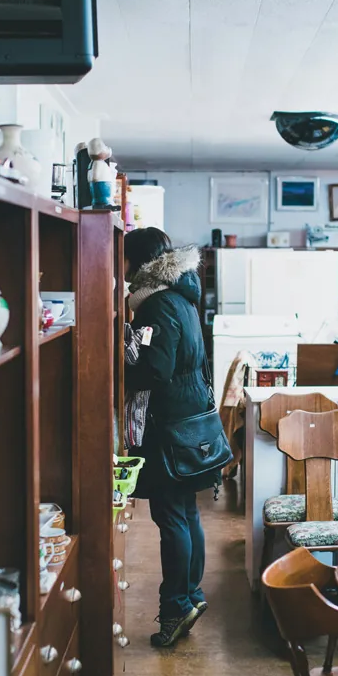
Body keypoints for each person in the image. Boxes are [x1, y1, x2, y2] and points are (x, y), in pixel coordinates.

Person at [124, 228, 221, 647]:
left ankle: (175, 608)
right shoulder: (182, 297)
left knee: (171, 518)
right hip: (190, 420)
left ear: (137, 262)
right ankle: (191, 596)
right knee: (186, 514)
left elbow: (155, 370)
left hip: (169, 425)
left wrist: (119, 365)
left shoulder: (156, 304)